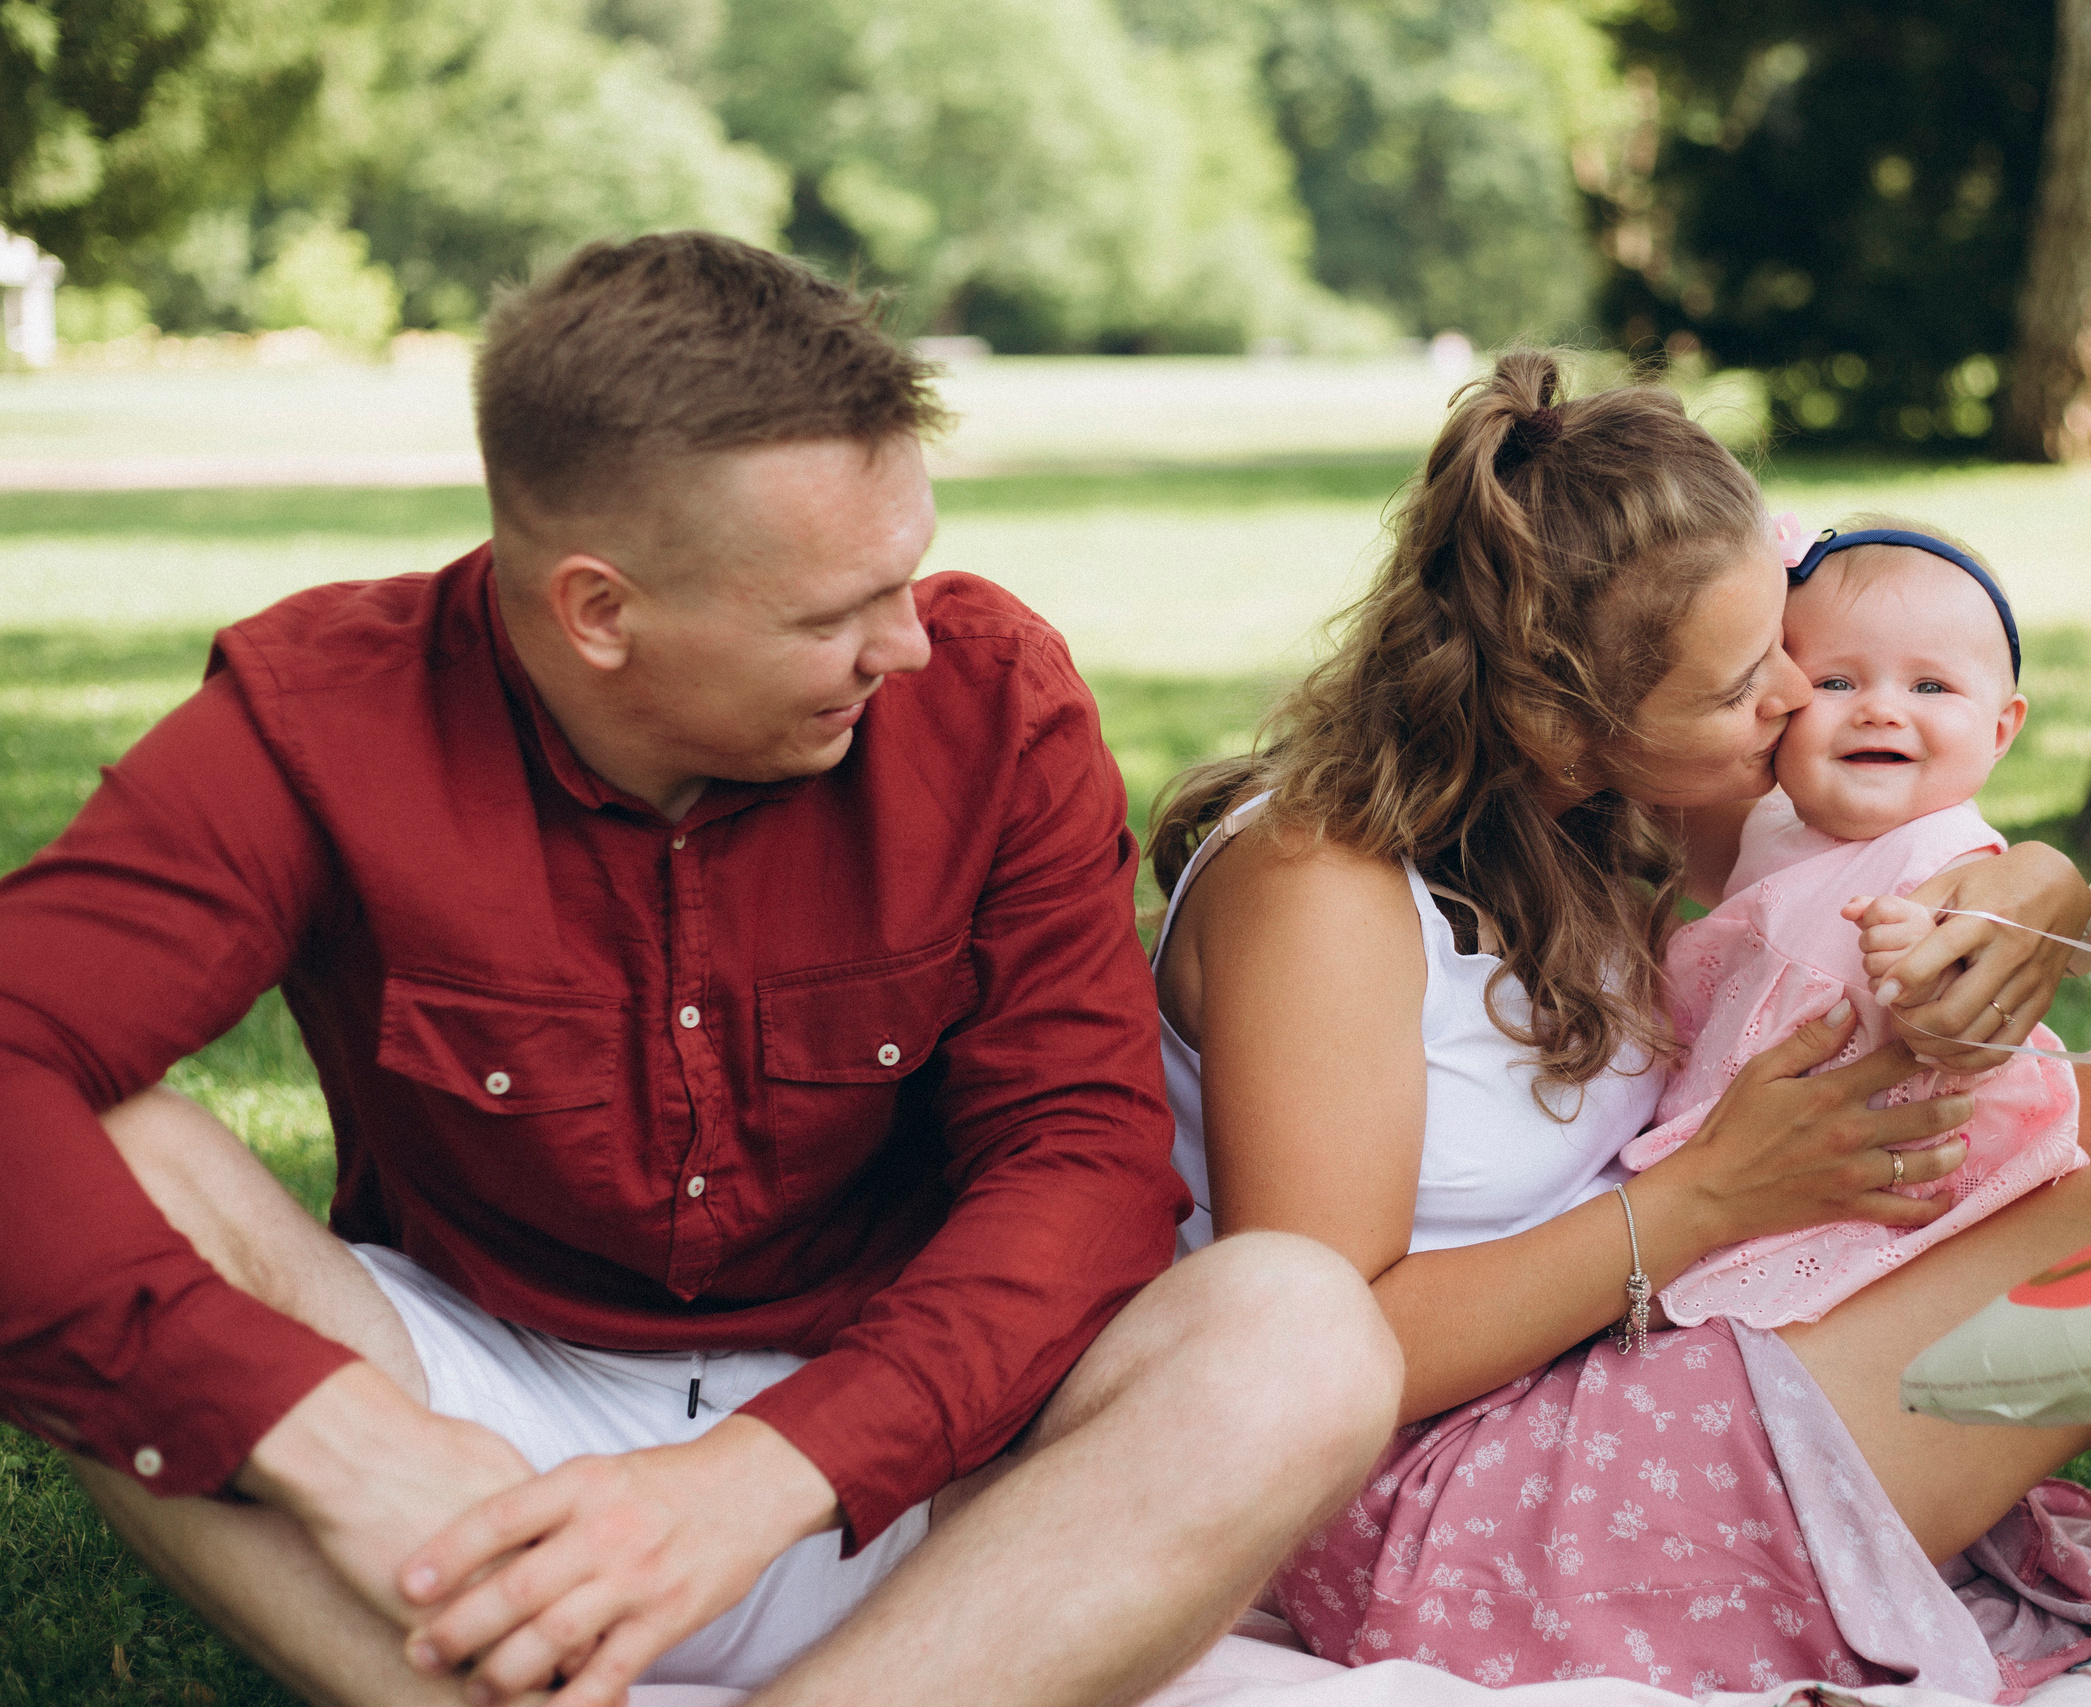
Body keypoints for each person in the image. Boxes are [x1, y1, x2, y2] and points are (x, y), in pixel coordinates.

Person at [0, 233, 1401, 1707]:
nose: (907, 646)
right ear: (599, 611)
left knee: (1299, 1326)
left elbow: (1084, 1159)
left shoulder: (991, 703)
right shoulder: (321, 718)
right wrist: (341, 1445)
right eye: (831, 614)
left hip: (916, 1473)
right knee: (106, 1158)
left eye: (905, 578)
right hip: (463, 1455)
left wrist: (762, 1474)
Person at [1149, 351, 2091, 1696]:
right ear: (1556, 717)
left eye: (1780, 643)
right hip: (1436, 1509)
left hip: (1607, 1360)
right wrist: (1710, 1196)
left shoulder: (1580, 807)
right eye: (1741, 685)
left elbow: (1888, 839)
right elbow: (1322, 1361)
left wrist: (2031, 882)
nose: (1791, 698)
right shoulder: (1318, 888)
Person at [1617, 520, 2087, 1332]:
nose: (1880, 710)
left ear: (2001, 729)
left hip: (1871, 1184)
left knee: (1721, 1307)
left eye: (1930, 687)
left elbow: (1968, 1037)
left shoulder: (1953, 857)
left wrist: (1925, 979)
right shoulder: (1773, 825)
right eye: (1835, 681)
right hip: (1753, 1143)